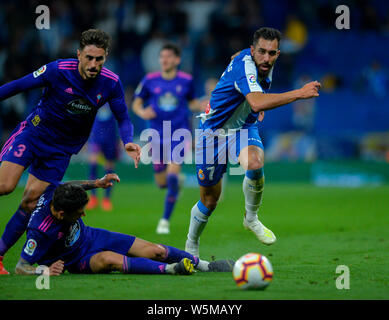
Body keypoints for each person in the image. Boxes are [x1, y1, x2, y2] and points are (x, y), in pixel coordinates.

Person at [0, 29, 142, 274]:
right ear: (79, 54)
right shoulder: (58, 70)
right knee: (5, 186)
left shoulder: (111, 83)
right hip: (34, 134)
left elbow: (123, 117)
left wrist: (128, 140)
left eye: (99, 59)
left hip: (61, 150)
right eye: (88, 58)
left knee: (31, 201)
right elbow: (18, 86)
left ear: (106, 57)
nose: (93, 64)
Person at [185, 27, 321, 257]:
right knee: (209, 200)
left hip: (242, 128)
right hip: (212, 133)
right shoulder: (246, 65)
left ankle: (251, 217)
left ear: (278, 53)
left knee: (255, 163)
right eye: (262, 52)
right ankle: (191, 244)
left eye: (272, 53)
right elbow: (257, 101)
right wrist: (298, 93)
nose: (267, 58)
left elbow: (243, 74)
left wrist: (250, 106)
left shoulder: (259, 60)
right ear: (253, 50)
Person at [14, 173, 234, 275]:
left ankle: (204, 265)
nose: (83, 215)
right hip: (77, 259)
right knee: (110, 259)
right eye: (78, 213)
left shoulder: (55, 192)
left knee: (155, 250)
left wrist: (96, 183)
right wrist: (44, 271)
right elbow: (21, 268)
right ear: (61, 214)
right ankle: (171, 270)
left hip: (92, 237)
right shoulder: (38, 232)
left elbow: (69, 184)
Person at [132, 43, 203, 234]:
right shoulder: (150, 80)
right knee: (162, 183)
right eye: (162, 56)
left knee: (171, 176)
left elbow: (193, 102)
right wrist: (141, 112)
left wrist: (204, 106)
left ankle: (164, 221)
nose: (164, 60)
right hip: (156, 134)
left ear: (177, 60)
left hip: (179, 134)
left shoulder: (187, 80)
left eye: (169, 56)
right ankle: (175, 184)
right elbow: (136, 103)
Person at [86, 102, 120, 211]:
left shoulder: (113, 97)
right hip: (96, 136)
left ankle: (106, 199)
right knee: (93, 163)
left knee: (109, 168)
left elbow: (121, 117)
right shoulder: (94, 96)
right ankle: (93, 197)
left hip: (111, 137)